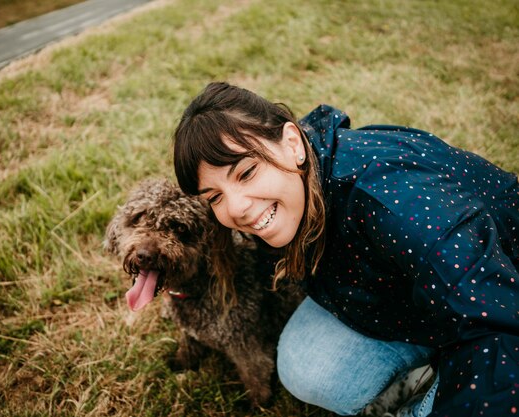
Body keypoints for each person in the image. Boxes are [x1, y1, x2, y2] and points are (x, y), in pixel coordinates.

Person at [172, 82, 519, 417]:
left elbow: (499, 322)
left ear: (292, 143)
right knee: (306, 368)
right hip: (405, 298)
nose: (236, 208)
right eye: (215, 197)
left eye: (246, 172)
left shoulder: (392, 200)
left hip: (502, 289)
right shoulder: (295, 188)